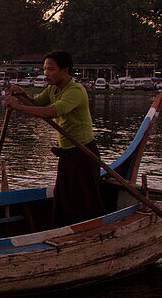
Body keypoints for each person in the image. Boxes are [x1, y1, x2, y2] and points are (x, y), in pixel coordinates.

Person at [6, 50, 103, 226]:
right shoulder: (53, 89)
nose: (46, 74)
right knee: (64, 196)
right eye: (45, 69)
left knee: (84, 199)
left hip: (83, 152)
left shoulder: (75, 91)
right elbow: (37, 104)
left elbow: (50, 112)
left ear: (65, 70)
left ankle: (89, 231)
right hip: (67, 153)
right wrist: (22, 95)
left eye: (51, 69)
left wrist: (19, 107)